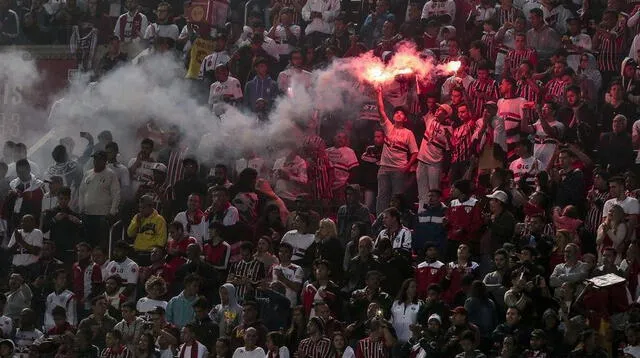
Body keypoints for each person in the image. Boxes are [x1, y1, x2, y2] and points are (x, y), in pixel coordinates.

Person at [374, 85, 419, 215]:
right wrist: (379, 94)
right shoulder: (388, 127)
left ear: (405, 119)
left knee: (396, 198)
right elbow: (381, 110)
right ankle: (380, 221)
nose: (398, 114)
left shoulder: (408, 133)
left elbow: (415, 152)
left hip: (398, 169)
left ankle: (396, 221)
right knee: (382, 197)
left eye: (401, 114)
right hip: (384, 168)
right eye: (397, 113)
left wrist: (407, 167)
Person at [79, 151, 120, 247]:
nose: (96, 161)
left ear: (105, 161)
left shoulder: (110, 174)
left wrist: (112, 211)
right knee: (88, 242)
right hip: (88, 214)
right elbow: (81, 192)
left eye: (99, 159)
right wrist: (81, 209)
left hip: (103, 215)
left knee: (101, 243)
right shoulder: (87, 174)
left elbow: (116, 193)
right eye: (95, 159)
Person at [270, 242, 303, 307]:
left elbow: (297, 288)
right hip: (275, 303)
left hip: (289, 304)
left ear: (291, 254)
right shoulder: (274, 268)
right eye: (281, 251)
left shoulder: (297, 269)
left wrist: (282, 278)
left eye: (286, 252)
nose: (282, 254)